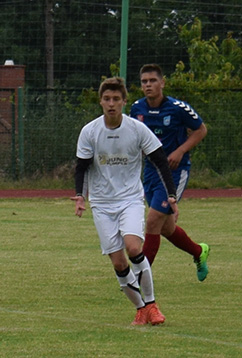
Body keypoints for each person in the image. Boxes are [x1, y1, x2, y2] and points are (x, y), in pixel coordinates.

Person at [72, 77, 178, 326]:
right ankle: (140, 309)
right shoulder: (90, 131)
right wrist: (80, 196)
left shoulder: (137, 129)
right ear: (100, 101)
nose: (111, 104)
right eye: (107, 99)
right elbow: (81, 167)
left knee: (133, 248)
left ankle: (152, 305)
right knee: (118, 261)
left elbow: (161, 160)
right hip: (101, 203)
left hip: (130, 199)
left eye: (116, 99)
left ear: (124, 102)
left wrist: (171, 194)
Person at [129, 64, 210, 281]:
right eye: (144, 81)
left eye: (152, 81)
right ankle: (199, 252)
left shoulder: (178, 108)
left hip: (175, 172)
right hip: (151, 173)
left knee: (153, 220)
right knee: (166, 228)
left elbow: (201, 130)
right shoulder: (137, 109)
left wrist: (180, 151)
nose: (148, 85)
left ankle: (139, 277)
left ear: (162, 83)